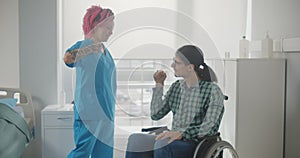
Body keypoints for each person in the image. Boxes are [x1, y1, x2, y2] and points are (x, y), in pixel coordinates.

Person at [125, 45, 225, 158]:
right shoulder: (176, 87)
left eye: (177, 63)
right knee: (136, 140)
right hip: (173, 139)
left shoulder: (212, 91)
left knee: (163, 144)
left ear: (190, 67)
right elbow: (156, 114)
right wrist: (159, 85)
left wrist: (183, 134)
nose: (172, 65)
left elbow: (210, 127)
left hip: (196, 143)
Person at [63, 5, 116, 158]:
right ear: (95, 26)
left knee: (104, 154)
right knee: (82, 152)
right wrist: (89, 49)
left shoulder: (106, 51)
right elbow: (67, 58)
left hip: (106, 113)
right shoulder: (85, 45)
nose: (111, 32)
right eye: (107, 28)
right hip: (89, 113)